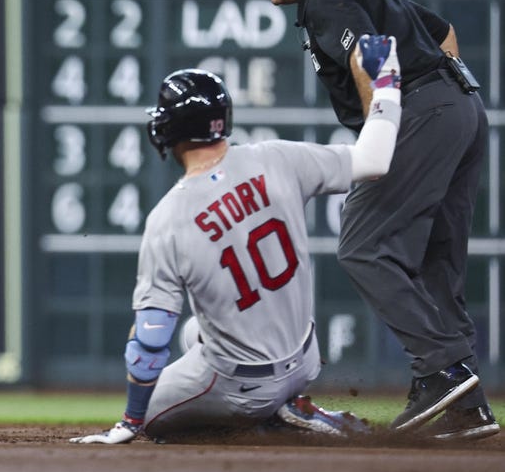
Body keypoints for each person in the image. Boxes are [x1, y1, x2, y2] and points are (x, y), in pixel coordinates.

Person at [232, 0, 498, 441]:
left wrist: (386, 124)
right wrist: (441, 99)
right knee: (433, 261)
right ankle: (467, 406)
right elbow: (445, 34)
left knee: (362, 245)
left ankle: (444, 372)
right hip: (460, 108)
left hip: (422, 112)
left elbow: (372, 51)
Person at [73, 45, 400, 444]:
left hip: (242, 388)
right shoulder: (278, 157)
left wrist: (130, 421)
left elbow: (150, 339)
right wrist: (386, 81)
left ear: (169, 130)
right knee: (195, 332)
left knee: (155, 417)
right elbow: (375, 161)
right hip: (305, 361)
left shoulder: (168, 217)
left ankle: (267, 419)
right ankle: (292, 405)